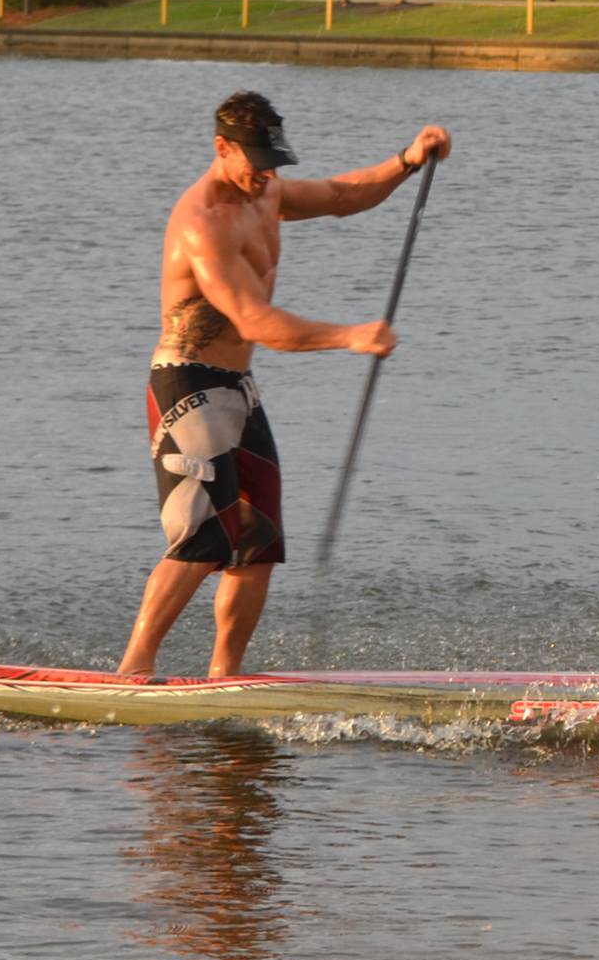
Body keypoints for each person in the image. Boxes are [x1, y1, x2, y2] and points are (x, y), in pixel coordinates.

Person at [115, 90, 450, 681]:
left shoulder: (265, 192)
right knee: (203, 540)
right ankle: (130, 674)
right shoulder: (202, 223)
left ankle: (226, 678)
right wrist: (350, 336)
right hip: (188, 386)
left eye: (274, 162)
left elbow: (342, 195)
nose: (268, 175)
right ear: (222, 148)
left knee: (258, 542)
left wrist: (405, 160)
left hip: (239, 388)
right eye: (257, 161)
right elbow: (255, 322)